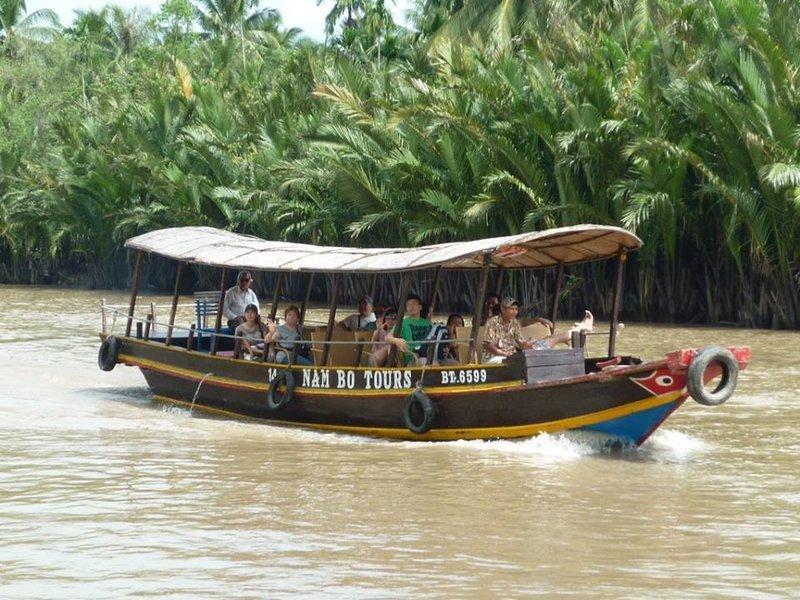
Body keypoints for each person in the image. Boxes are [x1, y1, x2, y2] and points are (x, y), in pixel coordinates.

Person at [482, 297, 593, 364]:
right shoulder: (493, 322)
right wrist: (508, 354)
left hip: (514, 357)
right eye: (511, 309)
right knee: (538, 349)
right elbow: (489, 347)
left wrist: (530, 345)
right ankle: (580, 329)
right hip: (495, 360)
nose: (514, 312)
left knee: (545, 343)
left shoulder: (513, 324)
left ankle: (580, 329)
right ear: (503, 310)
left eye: (515, 310)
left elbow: (521, 343)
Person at [386, 294, 432, 366]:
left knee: (451, 362)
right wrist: (396, 340)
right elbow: (387, 337)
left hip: (430, 354)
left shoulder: (427, 322)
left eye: (413, 304)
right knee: (429, 363)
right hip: (413, 357)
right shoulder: (403, 322)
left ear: (420, 307)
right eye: (408, 305)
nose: (411, 307)